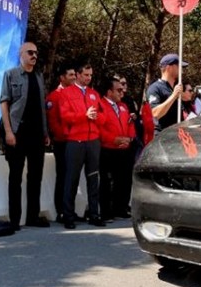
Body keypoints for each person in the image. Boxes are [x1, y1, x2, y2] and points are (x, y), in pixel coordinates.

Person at [0, 41, 50, 230]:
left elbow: (41, 108)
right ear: (21, 54)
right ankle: (15, 219)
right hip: (18, 133)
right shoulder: (10, 74)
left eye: (36, 53)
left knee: (35, 176)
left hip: (37, 134)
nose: (34, 56)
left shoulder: (38, 77)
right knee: (15, 177)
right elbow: (4, 103)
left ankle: (32, 216)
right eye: (30, 52)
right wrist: (8, 131)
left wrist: (45, 132)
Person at [59, 62, 103, 228]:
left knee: (93, 179)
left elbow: (102, 115)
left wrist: (96, 117)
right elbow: (65, 116)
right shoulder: (67, 93)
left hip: (93, 141)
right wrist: (83, 116)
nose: (88, 78)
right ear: (77, 75)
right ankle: (68, 216)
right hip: (75, 141)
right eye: (86, 75)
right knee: (71, 179)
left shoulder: (94, 94)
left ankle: (94, 214)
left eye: (90, 75)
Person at [97, 75, 135, 220]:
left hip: (124, 148)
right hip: (108, 149)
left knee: (124, 180)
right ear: (109, 92)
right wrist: (114, 140)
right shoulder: (100, 105)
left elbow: (130, 124)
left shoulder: (123, 106)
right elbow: (99, 128)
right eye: (118, 90)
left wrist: (129, 138)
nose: (122, 92)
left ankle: (121, 208)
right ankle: (106, 211)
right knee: (107, 181)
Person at [45, 65, 76, 223]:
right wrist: (64, 135)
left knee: (72, 177)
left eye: (74, 74)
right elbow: (53, 122)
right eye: (70, 74)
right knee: (63, 176)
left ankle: (69, 209)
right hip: (62, 142)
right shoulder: (54, 97)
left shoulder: (75, 94)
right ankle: (61, 210)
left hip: (75, 141)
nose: (73, 77)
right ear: (62, 78)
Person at [146, 53, 187, 130]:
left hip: (176, 134)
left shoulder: (174, 88)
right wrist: (173, 96)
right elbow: (155, 113)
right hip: (163, 137)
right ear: (169, 68)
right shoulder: (155, 88)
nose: (181, 69)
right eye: (179, 66)